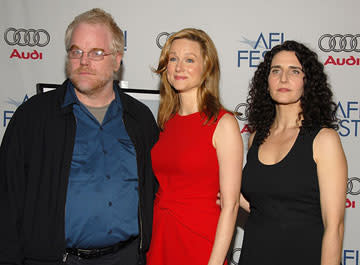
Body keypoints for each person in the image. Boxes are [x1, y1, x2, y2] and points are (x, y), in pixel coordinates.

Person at [0, 8, 158, 265]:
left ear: (117, 60)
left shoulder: (139, 119)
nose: (84, 61)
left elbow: (158, 191)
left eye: (96, 53)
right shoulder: (33, 117)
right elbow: (6, 200)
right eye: (76, 51)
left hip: (128, 258)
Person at [238, 40, 347, 265]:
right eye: (276, 71)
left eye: (294, 71)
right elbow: (270, 205)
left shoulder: (324, 140)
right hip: (254, 255)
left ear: (308, 82)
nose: (283, 78)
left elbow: (334, 227)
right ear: (266, 81)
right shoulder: (256, 137)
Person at [146, 28, 243, 265]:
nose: (179, 67)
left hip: (201, 242)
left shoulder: (224, 124)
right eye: (173, 59)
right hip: (161, 236)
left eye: (190, 59)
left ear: (207, 67)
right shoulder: (166, 122)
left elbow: (230, 207)